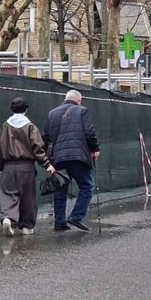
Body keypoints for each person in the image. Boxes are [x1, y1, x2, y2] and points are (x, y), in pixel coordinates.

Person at [0, 97, 56, 237]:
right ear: (26, 109)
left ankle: (9, 218)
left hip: (8, 167)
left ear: (11, 109)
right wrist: (47, 164)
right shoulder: (31, 127)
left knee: (8, 194)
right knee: (28, 197)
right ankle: (27, 227)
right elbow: (37, 148)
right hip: (26, 166)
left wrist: (1, 165)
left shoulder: (4, 127)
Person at [44, 90, 101, 232]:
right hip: (77, 155)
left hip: (58, 157)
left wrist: (49, 158)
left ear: (66, 99)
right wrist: (95, 149)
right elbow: (89, 131)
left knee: (60, 188)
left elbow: (46, 136)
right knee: (87, 186)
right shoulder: (82, 110)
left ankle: (59, 222)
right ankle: (76, 216)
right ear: (79, 100)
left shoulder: (52, 113)